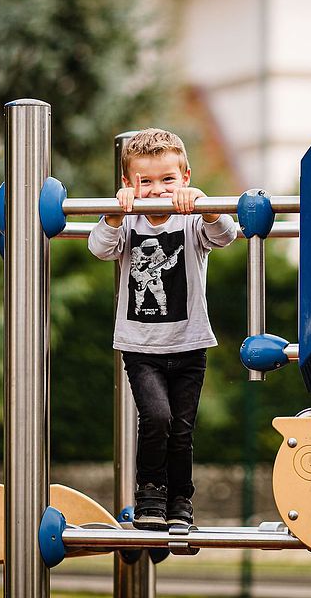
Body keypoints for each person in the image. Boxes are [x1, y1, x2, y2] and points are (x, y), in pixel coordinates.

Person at [88, 128, 237, 529]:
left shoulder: (191, 221)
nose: (157, 191)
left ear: (185, 177)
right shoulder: (128, 222)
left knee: (182, 430)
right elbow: (99, 248)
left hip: (190, 346)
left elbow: (226, 235)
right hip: (142, 347)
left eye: (168, 179)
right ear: (128, 184)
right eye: (146, 182)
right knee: (156, 418)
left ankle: (180, 504)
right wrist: (114, 214)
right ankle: (149, 496)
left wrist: (206, 206)